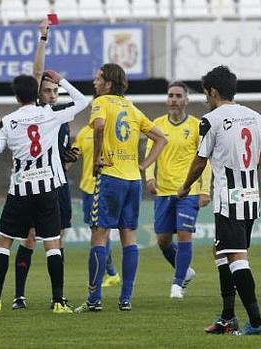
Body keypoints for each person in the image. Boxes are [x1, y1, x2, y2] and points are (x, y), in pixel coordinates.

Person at [178, 66, 261, 335]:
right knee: (221, 251)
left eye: (205, 93)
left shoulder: (210, 120)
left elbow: (200, 161)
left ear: (213, 92)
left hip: (228, 199)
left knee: (237, 258)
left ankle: (256, 323)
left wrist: (185, 187)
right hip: (250, 197)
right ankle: (228, 317)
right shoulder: (256, 117)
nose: (205, 98)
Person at [0, 73, 89, 314]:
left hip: (20, 189)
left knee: (4, 242)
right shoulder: (50, 114)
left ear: (16, 96)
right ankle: (58, 301)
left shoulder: (8, 120)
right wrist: (62, 80)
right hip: (47, 188)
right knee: (52, 243)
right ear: (36, 93)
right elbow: (83, 101)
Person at [74, 63, 167, 312]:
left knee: (100, 234)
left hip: (111, 177)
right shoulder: (132, 109)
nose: (95, 83)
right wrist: (143, 165)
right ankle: (125, 299)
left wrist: (96, 159)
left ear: (108, 83)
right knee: (129, 237)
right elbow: (162, 138)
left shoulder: (101, 103)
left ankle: (94, 300)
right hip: (132, 180)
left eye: (98, 79)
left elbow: (101, 126)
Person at [11, 20, 82, 310]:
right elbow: (37, 72)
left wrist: (68, 158)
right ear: (38, 93)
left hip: (59, 184)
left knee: (59, 239)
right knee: (29, 238)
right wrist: (44, 37)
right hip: (35, 184)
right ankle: (19, 295)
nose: (52, 95)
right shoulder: (37, 113)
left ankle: (58, 296)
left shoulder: (60, 117)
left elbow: (60, 155)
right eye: (48, 91)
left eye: (55, 92)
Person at [145, 81, 211, 299]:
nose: (173, 99)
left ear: (186, 100)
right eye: (171, 95)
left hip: (188, 191)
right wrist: (149, 177)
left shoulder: (197, 125)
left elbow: (205, 160)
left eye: (178, 96)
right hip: (164, 191)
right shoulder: (156, 124)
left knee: (184, 234)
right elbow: (150, 152)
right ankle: (186, 271)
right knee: (163, 240)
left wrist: (205, 190)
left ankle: (176, 284)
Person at [72, 125, 121, 288]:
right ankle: (111, 273)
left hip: (105, 186)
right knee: (98, 232)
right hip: (87, 188)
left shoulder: (114, 130)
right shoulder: (84, 132)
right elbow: (73, 155)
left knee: (100, 232)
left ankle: (103, 275)